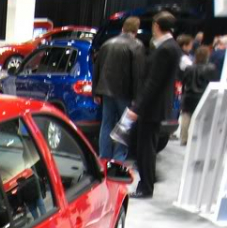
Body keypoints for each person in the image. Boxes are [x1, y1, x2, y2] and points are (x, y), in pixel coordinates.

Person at [126, 12, 182, 199]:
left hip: (152, 108)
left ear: (157, 26)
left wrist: (137, 108)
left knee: (146, 149)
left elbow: (153, 83)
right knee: (146, 147)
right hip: (156, 106)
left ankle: (146, 187)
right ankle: (146, 183)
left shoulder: (165, 49)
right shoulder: (171, 46)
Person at [92, 16, 144, 161]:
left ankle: (104, 158)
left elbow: (97, 68)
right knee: (124, 127)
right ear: (136, 30)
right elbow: (138, 74)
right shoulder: (137, 46)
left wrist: (95, 91)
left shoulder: (107, 44)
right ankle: (118, 159)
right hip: (125, 94)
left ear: (123, 28)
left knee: (106, 124)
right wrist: (137, 99)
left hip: (106, 92)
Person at [180, 46, 219, 146]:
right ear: (207, 56)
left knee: (186, 118)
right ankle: (198, 140)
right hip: (203, 97)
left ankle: (184, 139)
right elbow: (214, 83)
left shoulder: (189, 68)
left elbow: (183, 82)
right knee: (201, 119)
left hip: (188, 96)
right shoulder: (211, 68)